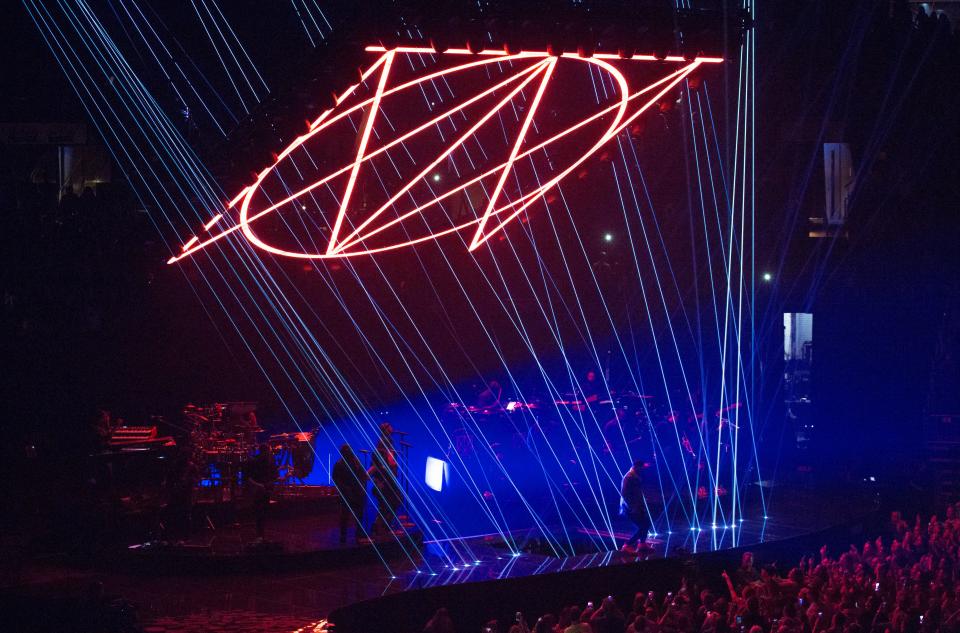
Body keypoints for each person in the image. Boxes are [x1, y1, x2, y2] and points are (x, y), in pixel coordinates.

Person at [369, 422, 402, 537]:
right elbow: (389, 459)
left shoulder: (382, 441)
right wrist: (392, 470)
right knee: (395, 500)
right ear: (386, 429)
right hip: (387, 478)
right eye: (390, 426)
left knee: (386, 503)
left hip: (386, 477)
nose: (392, 428)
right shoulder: (386, 441)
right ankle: (383, 527)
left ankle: (379, 527)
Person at [332, 444, 369, 544]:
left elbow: (362, 474)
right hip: (347, 493)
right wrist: (344, 489)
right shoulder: (339, 464)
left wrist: (363, 482)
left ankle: (359, 533)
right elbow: (336, 479)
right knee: (345, 514)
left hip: (357, 492)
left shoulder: (356, 462)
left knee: (359, 513)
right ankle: (343, 535)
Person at [244, 447, 278, 539]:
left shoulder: (260, 462)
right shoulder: (259, 462)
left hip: (261, 489)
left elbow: (248, 478)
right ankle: (260, 534)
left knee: (260, 512)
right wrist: (262, 486)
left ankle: (260, 534)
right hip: (260, 489)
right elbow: (249, 478)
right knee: (260, 511)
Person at [620, 459, 650, 552]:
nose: (643, 469)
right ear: (637, 467)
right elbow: (624, 493)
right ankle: (627, 545)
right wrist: (632, 507)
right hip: (631, 508)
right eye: (642, 467)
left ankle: (642, 544)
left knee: (646, 524)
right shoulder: (629, 477)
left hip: (637, 506)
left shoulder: (634, 476)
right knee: (643, 526)